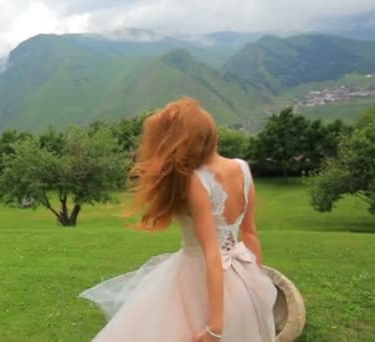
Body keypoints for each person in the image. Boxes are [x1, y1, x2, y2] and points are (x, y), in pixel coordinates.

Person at [79, 97, 277, 341]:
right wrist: (257, 281)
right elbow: (249, 233)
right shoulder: (242, 167)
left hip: (198, 279)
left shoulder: (196, 179)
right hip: (242, 273)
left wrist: (216, 326)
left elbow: (212, 254)